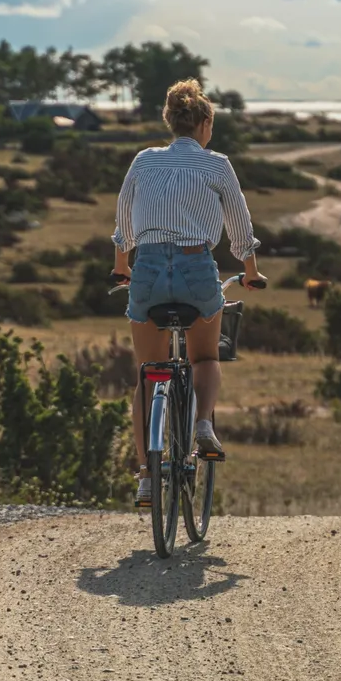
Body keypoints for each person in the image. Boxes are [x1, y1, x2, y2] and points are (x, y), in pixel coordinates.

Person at [112, 80, 266, 507]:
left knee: (147, 372)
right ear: (204, 124)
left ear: (169, 121)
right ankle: (201, 425)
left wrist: (122, 265)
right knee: (206, 357)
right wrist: (250, 271)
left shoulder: (144, 161)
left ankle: (146, 477)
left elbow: (124, 220)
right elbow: (240, 226)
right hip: (198, 269)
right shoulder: (217, 165)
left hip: (146, 272)